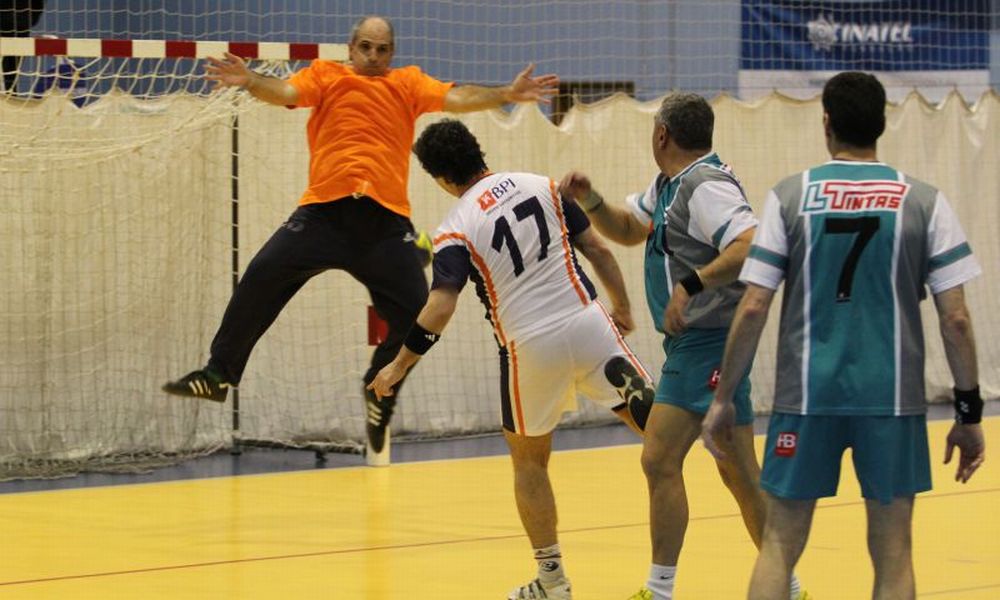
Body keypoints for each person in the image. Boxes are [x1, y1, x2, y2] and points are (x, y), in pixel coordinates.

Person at [161, 16, 559, 455]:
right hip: (322, 214)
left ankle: (378, 388)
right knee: (262, 274)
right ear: (350, 48)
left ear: (392, 53)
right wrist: (251, 80)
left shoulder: (407, 84)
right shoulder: (326, 76)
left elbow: (457, 97)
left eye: (382, 49)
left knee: (418, 314)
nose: (373, 56)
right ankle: (219, 374)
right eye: (365, 47)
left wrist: (505, 94)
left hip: (384, 225)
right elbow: (286, 92)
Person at [701, 71, 986, 599]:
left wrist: (723, 400)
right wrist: (968, 414)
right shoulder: (923, 201)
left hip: (806, 397)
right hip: (891, 400)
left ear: (826, 122)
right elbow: (957, 320)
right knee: (894, 551)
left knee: (779, 543)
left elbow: (755, 304)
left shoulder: (790, 197)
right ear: (882, 123)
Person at [368, 119, 655, 600]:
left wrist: (398, 365)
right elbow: (598, 249)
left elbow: (441, 305)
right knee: (660, 432)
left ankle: (553, 582)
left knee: (529, 461)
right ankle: (718, 456)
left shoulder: (455, 227)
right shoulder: (543, 185)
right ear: (478, 151)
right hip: (587, 321)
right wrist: (621, 307)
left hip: (529, 347)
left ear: (441, 178)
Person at [561, 93, 805, 600]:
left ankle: (660, 589)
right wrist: (592, 200)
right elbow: (630, 229)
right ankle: (789, 585)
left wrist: (691, 284)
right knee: (739, 471)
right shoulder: (669, 184)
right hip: (700, 342)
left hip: (706, 342)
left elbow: (750, 244)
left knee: (659, 458)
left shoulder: (704, 185)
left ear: (662, 134)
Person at [1, 0, 46, 93]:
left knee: (12, 68)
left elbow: (37, 7)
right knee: (10, 67)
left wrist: (26, 21)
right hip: (20, 25)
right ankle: (10, 92)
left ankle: (10, 93)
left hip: (20, 26)